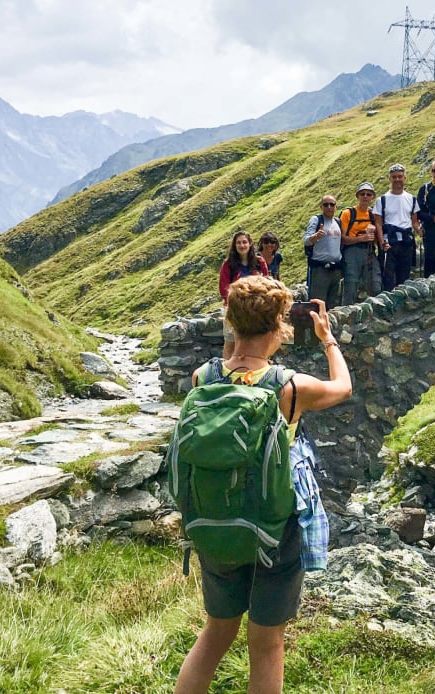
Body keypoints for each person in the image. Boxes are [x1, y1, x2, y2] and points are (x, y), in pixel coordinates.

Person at [173, 276, 352, 694]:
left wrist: (234, 341)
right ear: (278, 326)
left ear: (230, 323)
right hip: (274, 528)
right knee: (267, 642)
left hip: (215, 519)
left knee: (217, 631)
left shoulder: (204, 377)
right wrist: (328, 339)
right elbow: (343, 387)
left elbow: (228, 373)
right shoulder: (289, 387)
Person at [219, 231, 270, 359]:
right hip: (234, 309)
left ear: (250, 243)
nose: (242, 245)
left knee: (254, 341)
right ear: (234, 246)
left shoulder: (259, 262)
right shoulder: (228, 264)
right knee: (231, 341)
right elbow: (223, 288)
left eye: (244, 242)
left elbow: (267, 284)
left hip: (255, 309)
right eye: (238, 243)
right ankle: (227, 371)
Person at [374, 164, 420, 291]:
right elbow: (378, 223)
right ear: (390, 179)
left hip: (406, 242)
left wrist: (421, 232)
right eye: (394, 177)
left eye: (400, 176)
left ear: (405, 178)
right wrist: (382, 243)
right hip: (389, 242)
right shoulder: (381, 200)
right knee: (387, 276)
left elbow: (414, 221)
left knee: (404, 276)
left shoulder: (412, 199)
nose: (397, 179)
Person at [340, 182, 383, 305]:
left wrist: (373, 239)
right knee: (351, 285)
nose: (365, 196)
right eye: (362, 194)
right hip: (351, 251)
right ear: (357, 196)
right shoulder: (347, 213)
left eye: (368, 194)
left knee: (376, 284)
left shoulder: (373, 214)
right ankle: (346, 314)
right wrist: (361, 238)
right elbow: (342, 239)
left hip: (369, 252)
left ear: (372, 197)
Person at [303, 195, 344, 310]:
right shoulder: (316, 220)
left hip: (336, 269)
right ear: (321, 206)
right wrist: (315, 236)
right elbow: (306, 241)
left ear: (336, 207)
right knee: (317, 304)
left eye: (332, 204)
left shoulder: (338, 222)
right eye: (326, 204)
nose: (329, 207)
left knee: (332, 305)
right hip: (320, 269)